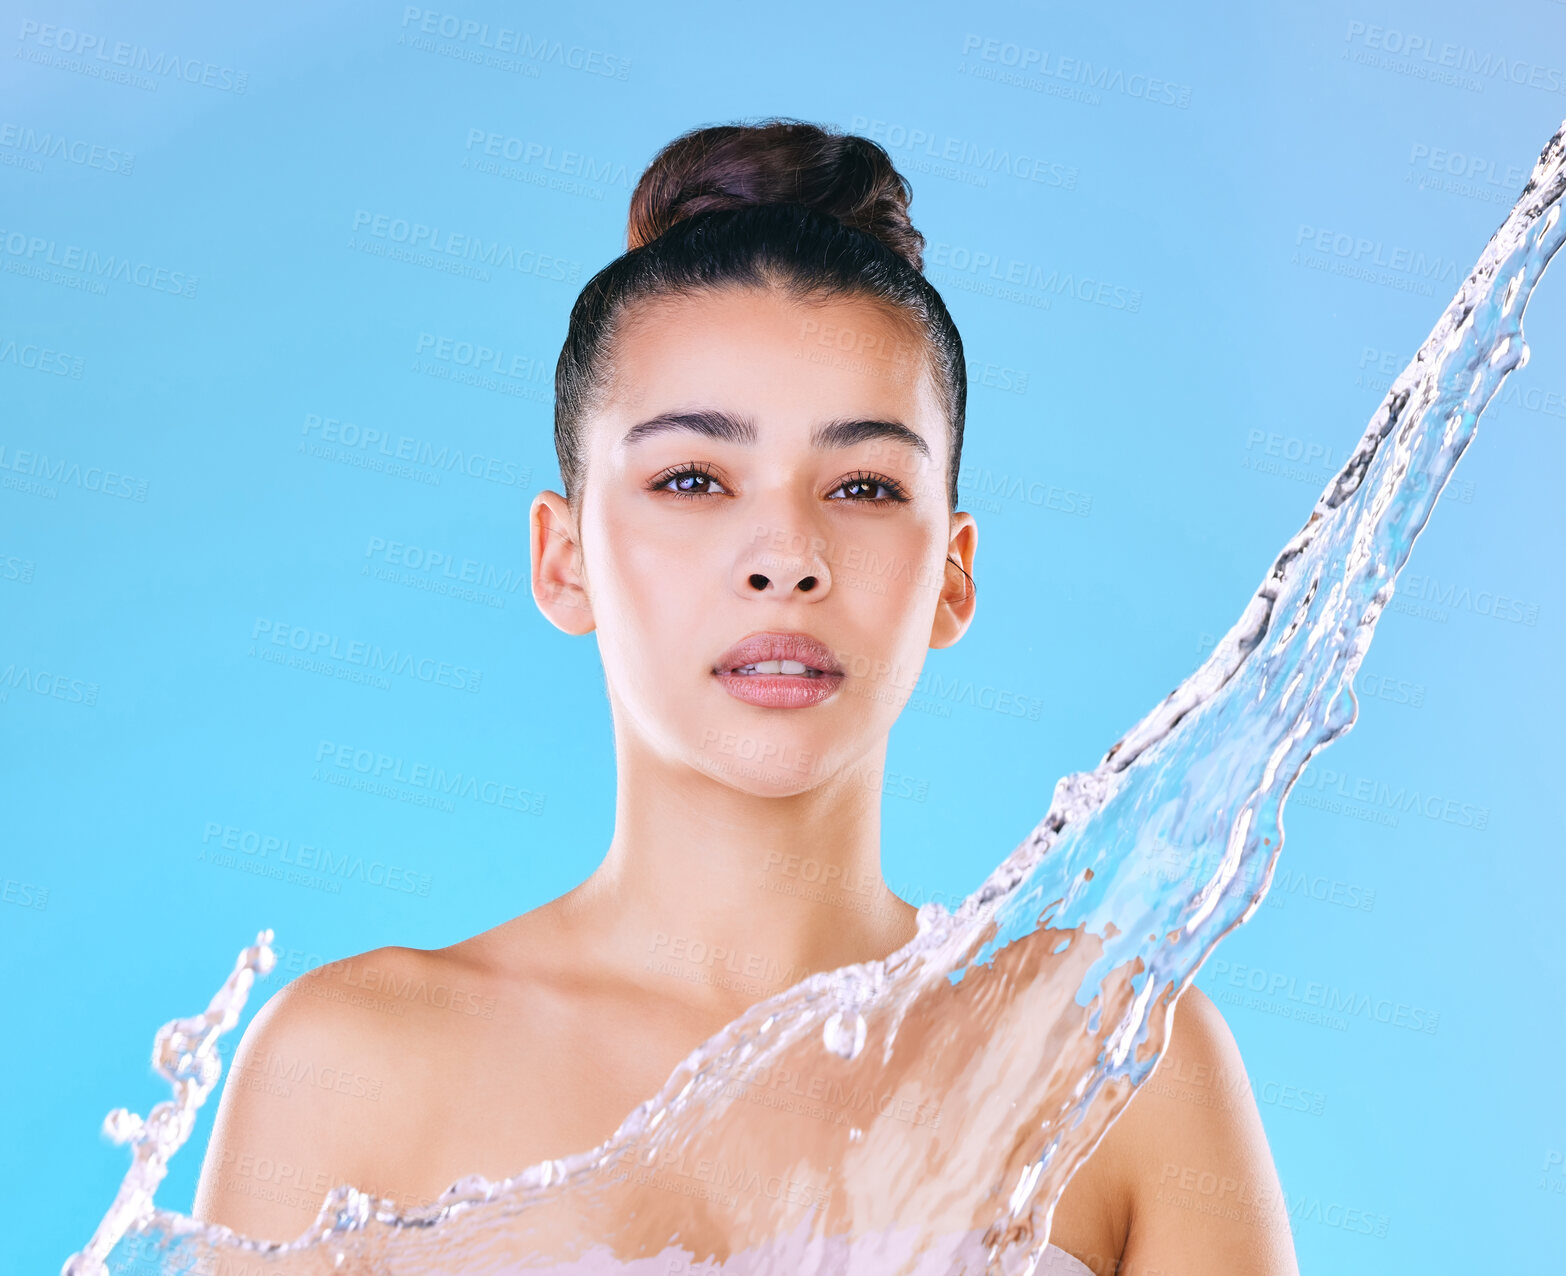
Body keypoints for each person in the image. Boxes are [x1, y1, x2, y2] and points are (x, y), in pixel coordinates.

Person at [193, 119, 1298, 1275]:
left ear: (951, 576)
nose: (786, 554)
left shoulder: (1116, 1062)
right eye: (692, 478)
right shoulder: (349, 1070)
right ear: (563, 558)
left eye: (864, 484)